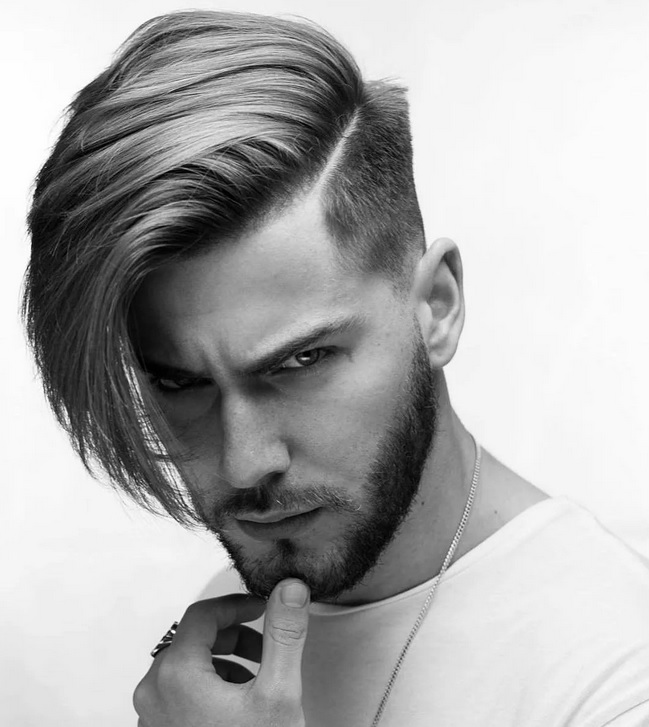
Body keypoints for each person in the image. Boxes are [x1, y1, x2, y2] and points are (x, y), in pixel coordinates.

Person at [23, 9, 649, 727]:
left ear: (436, 306)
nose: (245, 463)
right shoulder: (233, 624)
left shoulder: (615, 680)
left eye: (301, 360)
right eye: (179, 382)